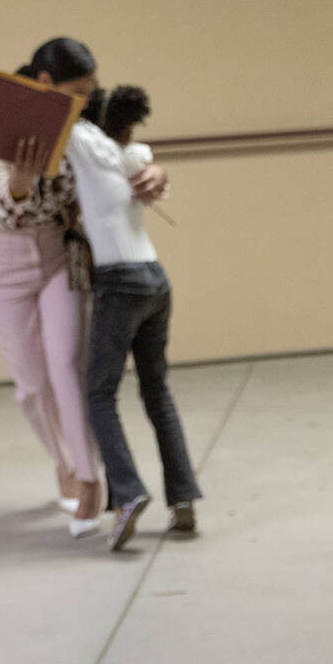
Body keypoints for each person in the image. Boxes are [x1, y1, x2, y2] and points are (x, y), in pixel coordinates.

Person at [0, 37, 169, 538]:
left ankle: (91, 481)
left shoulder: (83, 123)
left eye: (92, 90)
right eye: (78, 90)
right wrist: (21, 180)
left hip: (60, 256)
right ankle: (66, 463)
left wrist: (154, 171)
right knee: (32, 387)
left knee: (69, 369)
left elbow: (123, 157)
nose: (88, 101)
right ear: (47, 83)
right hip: (0, 263)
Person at [61, 85, 203, 550]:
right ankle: (183, 499)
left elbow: (63, 117)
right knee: (156, 388)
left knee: (99, 393)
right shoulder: (136, 156)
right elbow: (138, 155)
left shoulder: (84, 143)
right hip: (155, 277)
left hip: (118, 280)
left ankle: (127, 493)